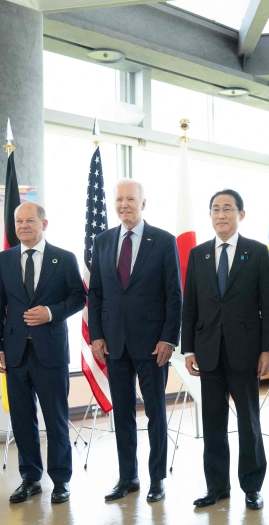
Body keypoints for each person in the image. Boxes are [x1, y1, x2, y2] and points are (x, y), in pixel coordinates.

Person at [88, 179, 182, 502]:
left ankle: (157, 479)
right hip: (114, 344)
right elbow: (96, 294)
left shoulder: (164, 241)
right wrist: (97, 336)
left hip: (153, 346)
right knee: (123, 412)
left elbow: (174, 295)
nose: (124, 204)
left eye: (131, 199)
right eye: (119, 199)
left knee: (156, 412)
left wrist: (169, 338)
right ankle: (128, 476)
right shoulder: (102, 242)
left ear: (143, 204)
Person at [182, 189, 269, 511]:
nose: (221, 215)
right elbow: (190, 305)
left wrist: (267, 350)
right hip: (208, 351)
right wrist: (188, 348)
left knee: (249, 421)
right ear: (210, 215)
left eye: (228, 209)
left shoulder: (257, 252)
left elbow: (268, 306)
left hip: (245, 350)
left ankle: (252, 487)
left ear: (241, 214)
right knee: (213, 422)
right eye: (215, 209)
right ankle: (217, 487)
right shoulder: (199, 255)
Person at [0, 203, 85, 504]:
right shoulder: (3, 260)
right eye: (19, 221)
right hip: (15, 353)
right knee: (22, 419)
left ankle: (61, 480)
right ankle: (30, 478)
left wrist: (51, 312)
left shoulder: (64, 258)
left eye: (30, 220)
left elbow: (79, 298)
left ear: (45, 223)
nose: (24, 225)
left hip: (51, 352)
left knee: (55, 419)